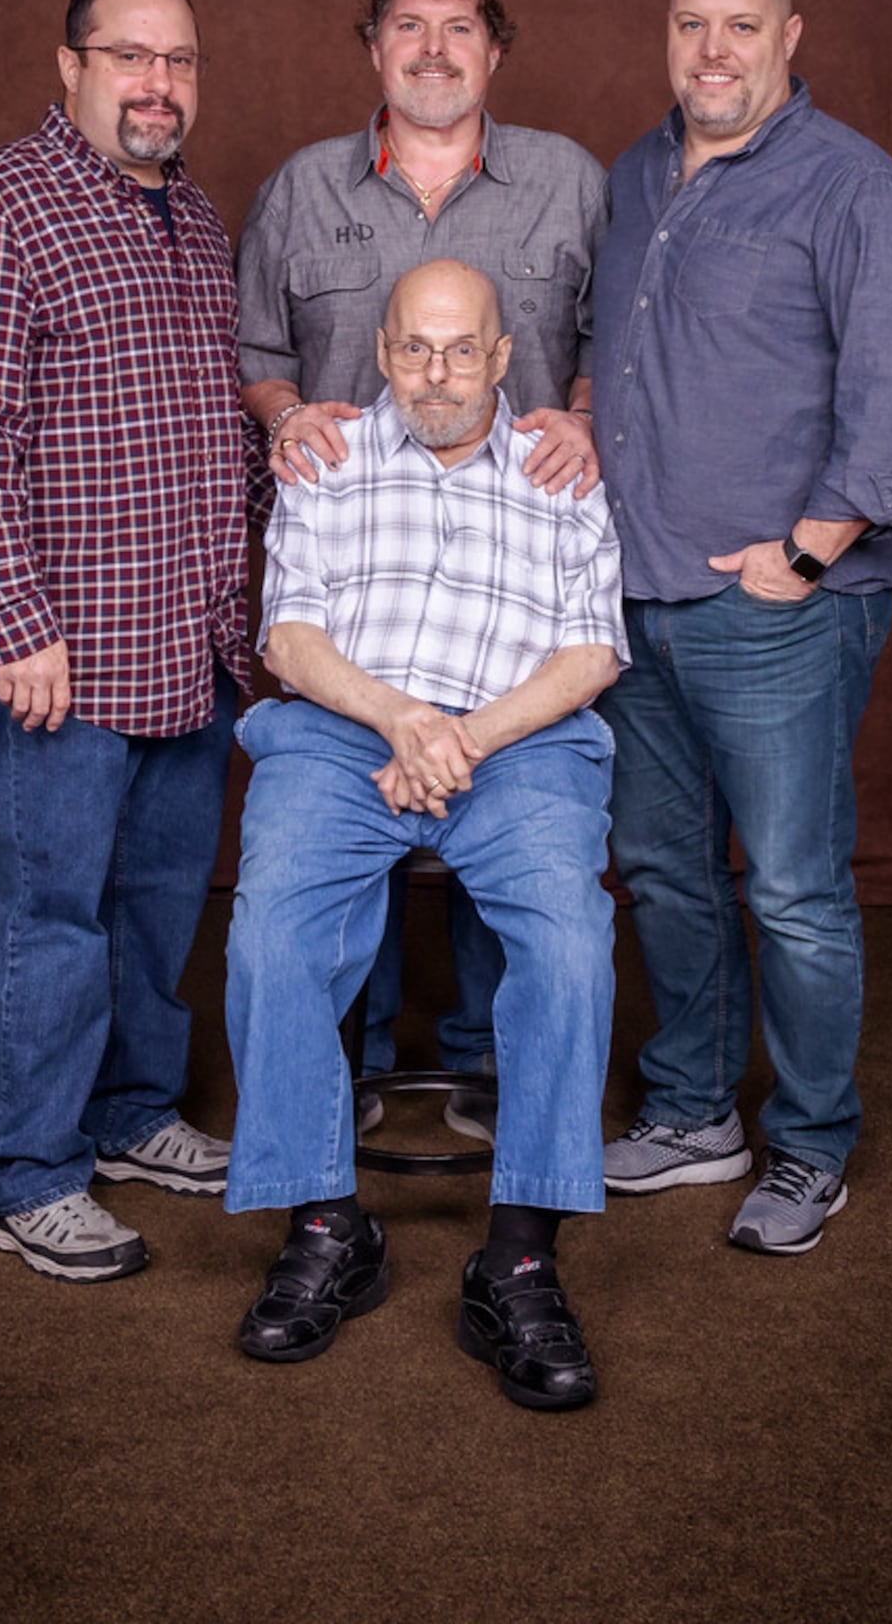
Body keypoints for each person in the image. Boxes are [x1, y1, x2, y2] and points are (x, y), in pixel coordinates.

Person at [593, 0, 892, 1255]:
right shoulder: (635, 174)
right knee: (662, 870)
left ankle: (809, 1146)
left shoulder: (853, 187)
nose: (715, 51)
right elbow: (617, 362)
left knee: (793, 887)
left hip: (780, 607)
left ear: (790, 36)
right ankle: (693, 1112)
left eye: (743, 26)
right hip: (636, 604)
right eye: (693, 24)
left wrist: (805, 552)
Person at [225, 260, 626, 1410]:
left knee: (567, 944)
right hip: (347, 731)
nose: (437, 375)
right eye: (412, 349)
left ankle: (519, 1253)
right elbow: (289, 637)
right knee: (272, 938)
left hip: (521, 741)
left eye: (462, 350)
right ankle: (324, 1223)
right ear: (381, 351)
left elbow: (592, 653)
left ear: (504, 355)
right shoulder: (330, 456)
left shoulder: (562, 469)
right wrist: (400, 717)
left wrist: (461, 735)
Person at [236, 0, 608, 1129]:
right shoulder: (303, 187)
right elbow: (255, 354)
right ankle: (342, 1072)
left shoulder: (570, 181)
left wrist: (585, 424)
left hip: (521, 579)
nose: (433, 50)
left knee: (516, 819)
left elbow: (612, 346)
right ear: (373, 46)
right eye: (408, 24)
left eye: (458, 28)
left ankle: (485, 1067)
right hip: (353, 571)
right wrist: (290, 417)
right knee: (334, 828)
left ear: (494, 49)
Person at [0, 0, 249, 1284]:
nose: (157, 82)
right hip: (64, 653)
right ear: (72, 67)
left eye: (178, 59)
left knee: (158, 905)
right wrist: (13, 621)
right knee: (54, 916)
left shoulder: (200, 221)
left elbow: (217, 438)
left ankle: (127, 1115)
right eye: (128, 56)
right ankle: (27, 1171)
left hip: (188, 641)